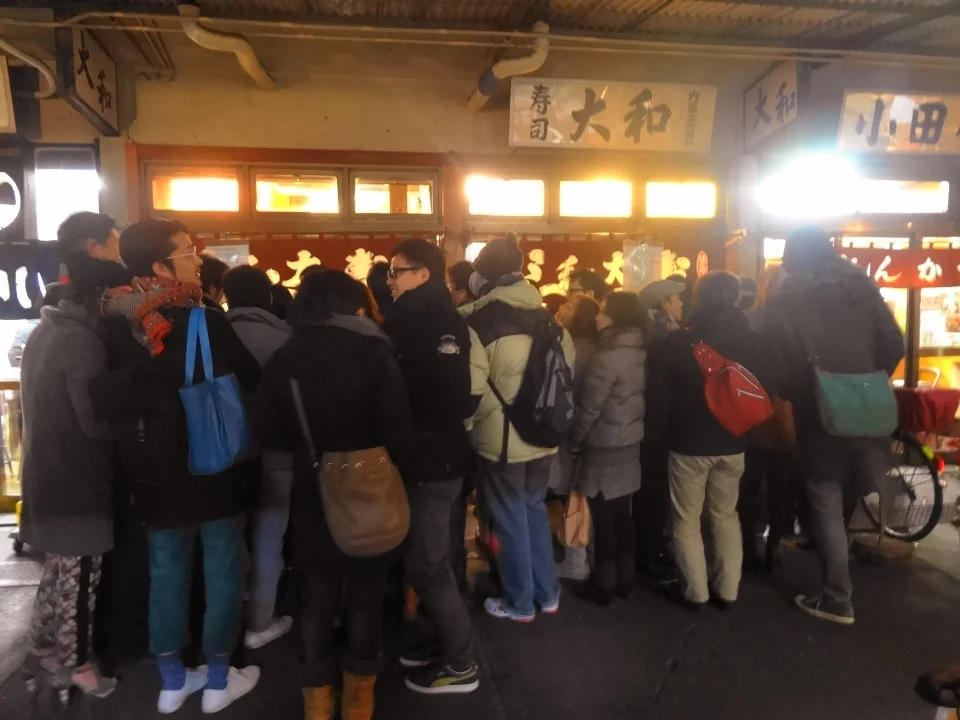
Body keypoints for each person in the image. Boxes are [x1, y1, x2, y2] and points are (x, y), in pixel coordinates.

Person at [90, 220, 261, 714]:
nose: (198, 258)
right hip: (212, 464)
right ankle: (218, 681)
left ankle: (171, 682)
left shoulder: (115, 320)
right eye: (188, 251)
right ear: (161, 267)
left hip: (151, 471)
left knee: (165, 571)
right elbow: (250, 376)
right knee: (222, 567)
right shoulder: (204, 319)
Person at [254, 270, 417, 720]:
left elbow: (267, 429)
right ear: (353, 307)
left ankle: (318, 701)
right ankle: (360, 699)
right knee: (366, 595)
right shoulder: (374, 351)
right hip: (370, 488)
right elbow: (399, 430)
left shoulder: (286, 356)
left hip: (314, 492)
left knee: (317, 596)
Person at [763, 227, 904, 626]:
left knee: (824, 493)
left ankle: (838, 597)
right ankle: (841, 562)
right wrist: (867, 378)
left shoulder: (787, 298)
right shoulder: (861, 286)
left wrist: (800, 390)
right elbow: (893, 343)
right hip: (869, 403)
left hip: (819, 408)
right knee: (854, 484)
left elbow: (777, 358)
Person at [20, 212, 131, 698]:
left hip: (46, 471)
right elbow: (93, 422)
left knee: (59, 570)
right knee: (81, 579)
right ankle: (79, 665)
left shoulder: (45, 330)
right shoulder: (83, 342)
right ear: (100, 297)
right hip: (77, 479)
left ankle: (42, 647)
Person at [460, 234, 575, 622]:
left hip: (502, 442)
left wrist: (466, 430)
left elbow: (471, 389)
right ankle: (548, 593)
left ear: (482, 279)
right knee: (533, 510)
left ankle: (519, 603)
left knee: (509, 519)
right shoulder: (551, 321)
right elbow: (567, 377)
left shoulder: (477, 322)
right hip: (544, 435)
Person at [384, 238, 479, 695]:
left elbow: (446, 395)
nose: (390, 281)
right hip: (434, 455)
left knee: (429, 563)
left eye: (396, 272)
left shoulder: (427, 320)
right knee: (428, 559)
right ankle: (441, 642)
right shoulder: (433, 316)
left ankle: (461, 664)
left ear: (423, 273)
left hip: (431, 460)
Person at [646, 271, 772, 612]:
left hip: (688, 443)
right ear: (735, 298)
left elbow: (661, 396)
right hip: (734, 441)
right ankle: (727, 590)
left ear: (698, 299)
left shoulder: (679, 341)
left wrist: (658, 434)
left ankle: (695, 592)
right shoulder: (752, 340)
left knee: (686, 518)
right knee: (725, 515)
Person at [222, 265, 295, 649]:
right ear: (268, 297)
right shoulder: (285, 339)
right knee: (270, 535)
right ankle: (260, 621)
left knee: (228, 538)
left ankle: (227, 621)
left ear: (225, 296)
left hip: (223, 455)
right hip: (277, 453)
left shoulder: (210, 336)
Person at [569, 292, 646, 606]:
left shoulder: (606, 356)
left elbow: (590, 407)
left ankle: (604, 583)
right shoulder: (641, 348)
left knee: (603, 516)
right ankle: (626, 578)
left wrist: (574, 439)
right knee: (622, 513)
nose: (597, 317)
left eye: (603, 311)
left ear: (616, 318)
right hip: (630, 439)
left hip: (604, 442)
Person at [739, 267, 795, 573]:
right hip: (785, 410)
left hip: (753, 409)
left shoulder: (750, 320)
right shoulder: (799, 322)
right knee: (780, 483)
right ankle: (774, 545)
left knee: (749, 483)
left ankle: (748, 546)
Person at [634, 277, 687, 580]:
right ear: (663, 304)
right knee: (652, 491)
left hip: (651, 424)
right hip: (656, 426)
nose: (682, 304)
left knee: (651, 491)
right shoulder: (661, 338)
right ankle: (649, 550)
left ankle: (650, 546)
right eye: (677, 299)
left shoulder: (655, 334)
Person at [551, 294, 600, 581]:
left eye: (569, 307)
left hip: (574, 432)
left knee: (575, 496)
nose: (561, 308)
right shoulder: (593, 346)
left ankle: (575, 560)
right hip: (589, 433)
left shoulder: (574, 348)